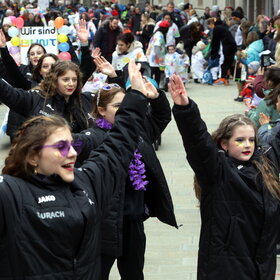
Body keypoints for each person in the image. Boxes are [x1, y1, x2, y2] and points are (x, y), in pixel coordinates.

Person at [0, 60, 150, 279]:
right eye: (61, 146)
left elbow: (117, 144)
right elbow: (8, 91)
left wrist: (136, 95)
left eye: (71, 144)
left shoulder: (85, 182)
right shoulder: (10, 193)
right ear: (32, 156)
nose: (71, 152)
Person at [169, 74, 280, 279]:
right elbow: (198, 142)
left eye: (251, 140)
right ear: (223, 143)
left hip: (261, 266)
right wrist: (185, 108)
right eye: (240, 140)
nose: (247, 145)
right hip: (226, 268)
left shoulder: (266, 163)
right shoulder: (217, 172)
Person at [75, 70, 177, 279]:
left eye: (126, 105)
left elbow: (161, 117)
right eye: (117, 107)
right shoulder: (93, 137)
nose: (124, 111)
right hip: (105, 222)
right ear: (101, 111)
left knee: (134, 273)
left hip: (134, 218)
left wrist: (156, 97)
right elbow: (69, 145)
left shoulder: (138, 130)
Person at [0, 60, 93, 133]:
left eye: (74, 80)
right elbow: (8, 93)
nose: (71, 84)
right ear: (55, 80)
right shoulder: (35, 98)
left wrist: (108, 73)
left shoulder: (84, 99)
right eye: (66, 79)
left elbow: (106, 100)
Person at [146, 20, 170, 86]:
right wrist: (160, 57)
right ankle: (155, 88)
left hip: (152, 58)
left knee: (152, 74)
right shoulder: (159, 35)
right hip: (155, 59)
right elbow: (157, 47)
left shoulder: (156, 33)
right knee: (156, 75)